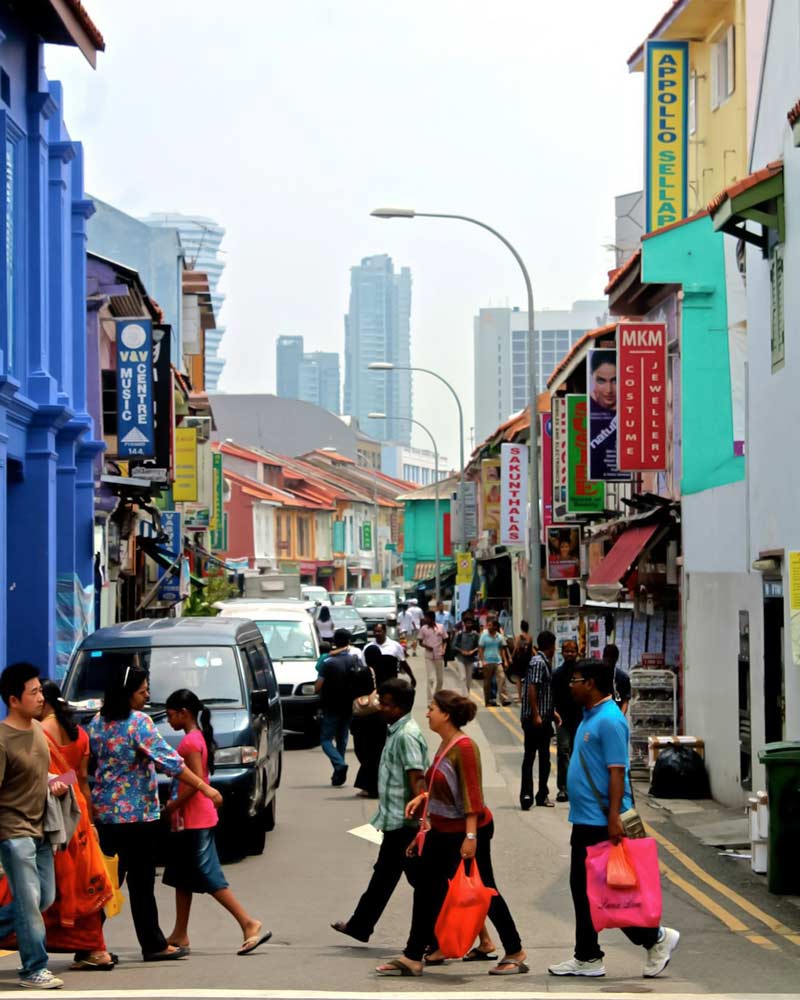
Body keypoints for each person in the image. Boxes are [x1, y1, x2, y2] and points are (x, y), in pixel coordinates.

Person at [375, 690, 527, 978]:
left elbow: (472, 796)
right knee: (427, 889)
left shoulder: (465, 747)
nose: (427, 713)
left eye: (432, 708)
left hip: (467, 831)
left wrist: (470, 839)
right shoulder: (446, 743)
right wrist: (424, 798)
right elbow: (444, 783)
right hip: (443, 829)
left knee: (485, 891)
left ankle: (515, 950)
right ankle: (412, 956)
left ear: (446, 714)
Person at [548, 659, 679, 979]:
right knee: (584, 890)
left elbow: (617, 772)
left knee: (606, 893)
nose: (570, 684)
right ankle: (588, 957)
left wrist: (613, 819)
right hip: (586, 819)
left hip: (600, 822)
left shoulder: (609, 720)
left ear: (591, 683)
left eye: (575, 680)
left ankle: (656, 938)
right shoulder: (589, 716)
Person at [88, 663, 223, 963]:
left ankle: (87, 943)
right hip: (137, 817)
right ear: (127, 694)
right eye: (142, 690)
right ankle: (152, 944)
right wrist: (206, 788)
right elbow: (170, 762)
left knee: (107, 882)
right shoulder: (138, 723)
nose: (147, 695)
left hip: (107, 816)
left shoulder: (97, 722)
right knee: (141, 884)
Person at [163, 689, 270, 956]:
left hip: (195, 817)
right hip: (195, 816)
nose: (168, 721)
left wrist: (173, 805)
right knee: (181, 877)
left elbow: (195, 781)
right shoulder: (197, 737)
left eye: (171, 715)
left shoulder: (189, 742)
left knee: (208, 875)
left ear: (183, 713)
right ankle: (180, 932)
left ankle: (248, 923)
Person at [331, 678, 429, 943]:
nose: (379, 708)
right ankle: (360, 925)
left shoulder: (407, 735)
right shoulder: (395, 730)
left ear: (398, 707)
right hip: (395, 820)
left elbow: (417, 777)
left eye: (384, 705)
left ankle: (444, 935)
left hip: (405, 823)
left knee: (424, 883)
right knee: (387, 875)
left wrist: (420, 818)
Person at [39, 681, 114, 971]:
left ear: (43, 701)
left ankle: (87, 948)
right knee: (84, 884)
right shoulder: (79, 734)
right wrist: (91, 822)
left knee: (55, 884)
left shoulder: (40, 734)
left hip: (55, 816)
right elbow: (80, 780)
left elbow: (51, 781)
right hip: (79, 814)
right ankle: (91, 948)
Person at [0, 663, 63, 989]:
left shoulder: (38, 730)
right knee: (29, 904)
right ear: (14, 699)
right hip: (14, 833)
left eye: (40, 691)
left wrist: (58, 782)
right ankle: (33, 969)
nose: (41, 697)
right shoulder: (2, 739)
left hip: (41, 831)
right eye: (34, 692)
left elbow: (41, 776)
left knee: (43, 900)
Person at [314, 628, 362, 787]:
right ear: (348, 642)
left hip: (331, 705)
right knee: (342, 739)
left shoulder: (328, 661)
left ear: (334, 641)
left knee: (326, 740)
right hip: (349, 706)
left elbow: (318, 686)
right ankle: (338, 774)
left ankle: (339, 764)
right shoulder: (354, 660)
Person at [520, 630, 556, 809]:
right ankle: (527, 794)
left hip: (543, 716)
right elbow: (532, 688)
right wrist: (536, 714)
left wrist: (552, 712)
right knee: (531, 757)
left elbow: (544, 692)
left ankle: (542, 795)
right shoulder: (538, 662)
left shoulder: (542, 662)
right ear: (552, 646)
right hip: (535, 719)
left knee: (544, 758)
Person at [350, 645, 391, 799]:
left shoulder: (363, 673)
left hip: (364, 720)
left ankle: (371, 787)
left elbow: (354, 695)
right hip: (381, 719)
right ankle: (376, 786)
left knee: (364, 753)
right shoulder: (387, 672)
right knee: (378, 753)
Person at [552, 640, 581, 803]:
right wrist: (554, 713)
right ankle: (563, 788)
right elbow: (553, 697)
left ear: (577, 652)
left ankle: (577, 787)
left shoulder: (582, 672)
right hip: (562, 719)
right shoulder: (557, 674)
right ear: (562, 653)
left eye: (572, 651)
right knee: (563, 751)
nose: (569, 654)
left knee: (578, 752)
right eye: (567, 651)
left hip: (580, 718)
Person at [478, 618, 509, 707]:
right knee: (487, 683)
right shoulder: (484, 636)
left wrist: (505, 660)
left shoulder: (499, 637)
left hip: (497, 661)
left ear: (495, 627)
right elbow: (481, 649)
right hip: (487, 662)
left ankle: (504, 699)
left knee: (502, 678)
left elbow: (501, 649)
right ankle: (487, 701)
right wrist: (482, 660)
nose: (488, 627)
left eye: (490, 625)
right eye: (488, 625)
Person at [417, 612, 447, 701]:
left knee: (440, 679)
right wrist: (426, 646)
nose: (425, 620)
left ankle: (437, 696)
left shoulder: (440, 627)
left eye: (427, 618)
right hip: (429, 656)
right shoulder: (424, 628)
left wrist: (444, 649)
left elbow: (445, 640)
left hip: (439, 655)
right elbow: (420, 642)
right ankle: (430, 700)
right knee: (430, 678)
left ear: (431, 618)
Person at [451, 615, 479, 696]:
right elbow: (454, 645)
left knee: (469, 678)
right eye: (467, 623)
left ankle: (467, 692)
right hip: (461, 658)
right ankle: (465, 695)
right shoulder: (459, 634)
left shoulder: (475, 635)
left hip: (470, 658)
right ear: (464, 624)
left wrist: (472, 651)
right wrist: (461, 651)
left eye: (470, 623)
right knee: (463, 677)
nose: (469, 625)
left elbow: (479, 646)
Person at [507, 620, 534, 704]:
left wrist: (511, 657)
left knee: (518, 678)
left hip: (519, 658)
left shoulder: (518, 637)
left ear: (521, 627)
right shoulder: (530, 637)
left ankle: (519, 697)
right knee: (528, 678)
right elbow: (531, 649)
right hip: (528, 658)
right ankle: (527, 695)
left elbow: (516, 648)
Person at [603, 644, 631, 715]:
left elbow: (625, 701)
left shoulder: (623, 678)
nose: (609, 663)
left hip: (616, 714)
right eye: (607, 660)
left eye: (611, 660)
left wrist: (620, 717)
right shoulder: (597, 675)